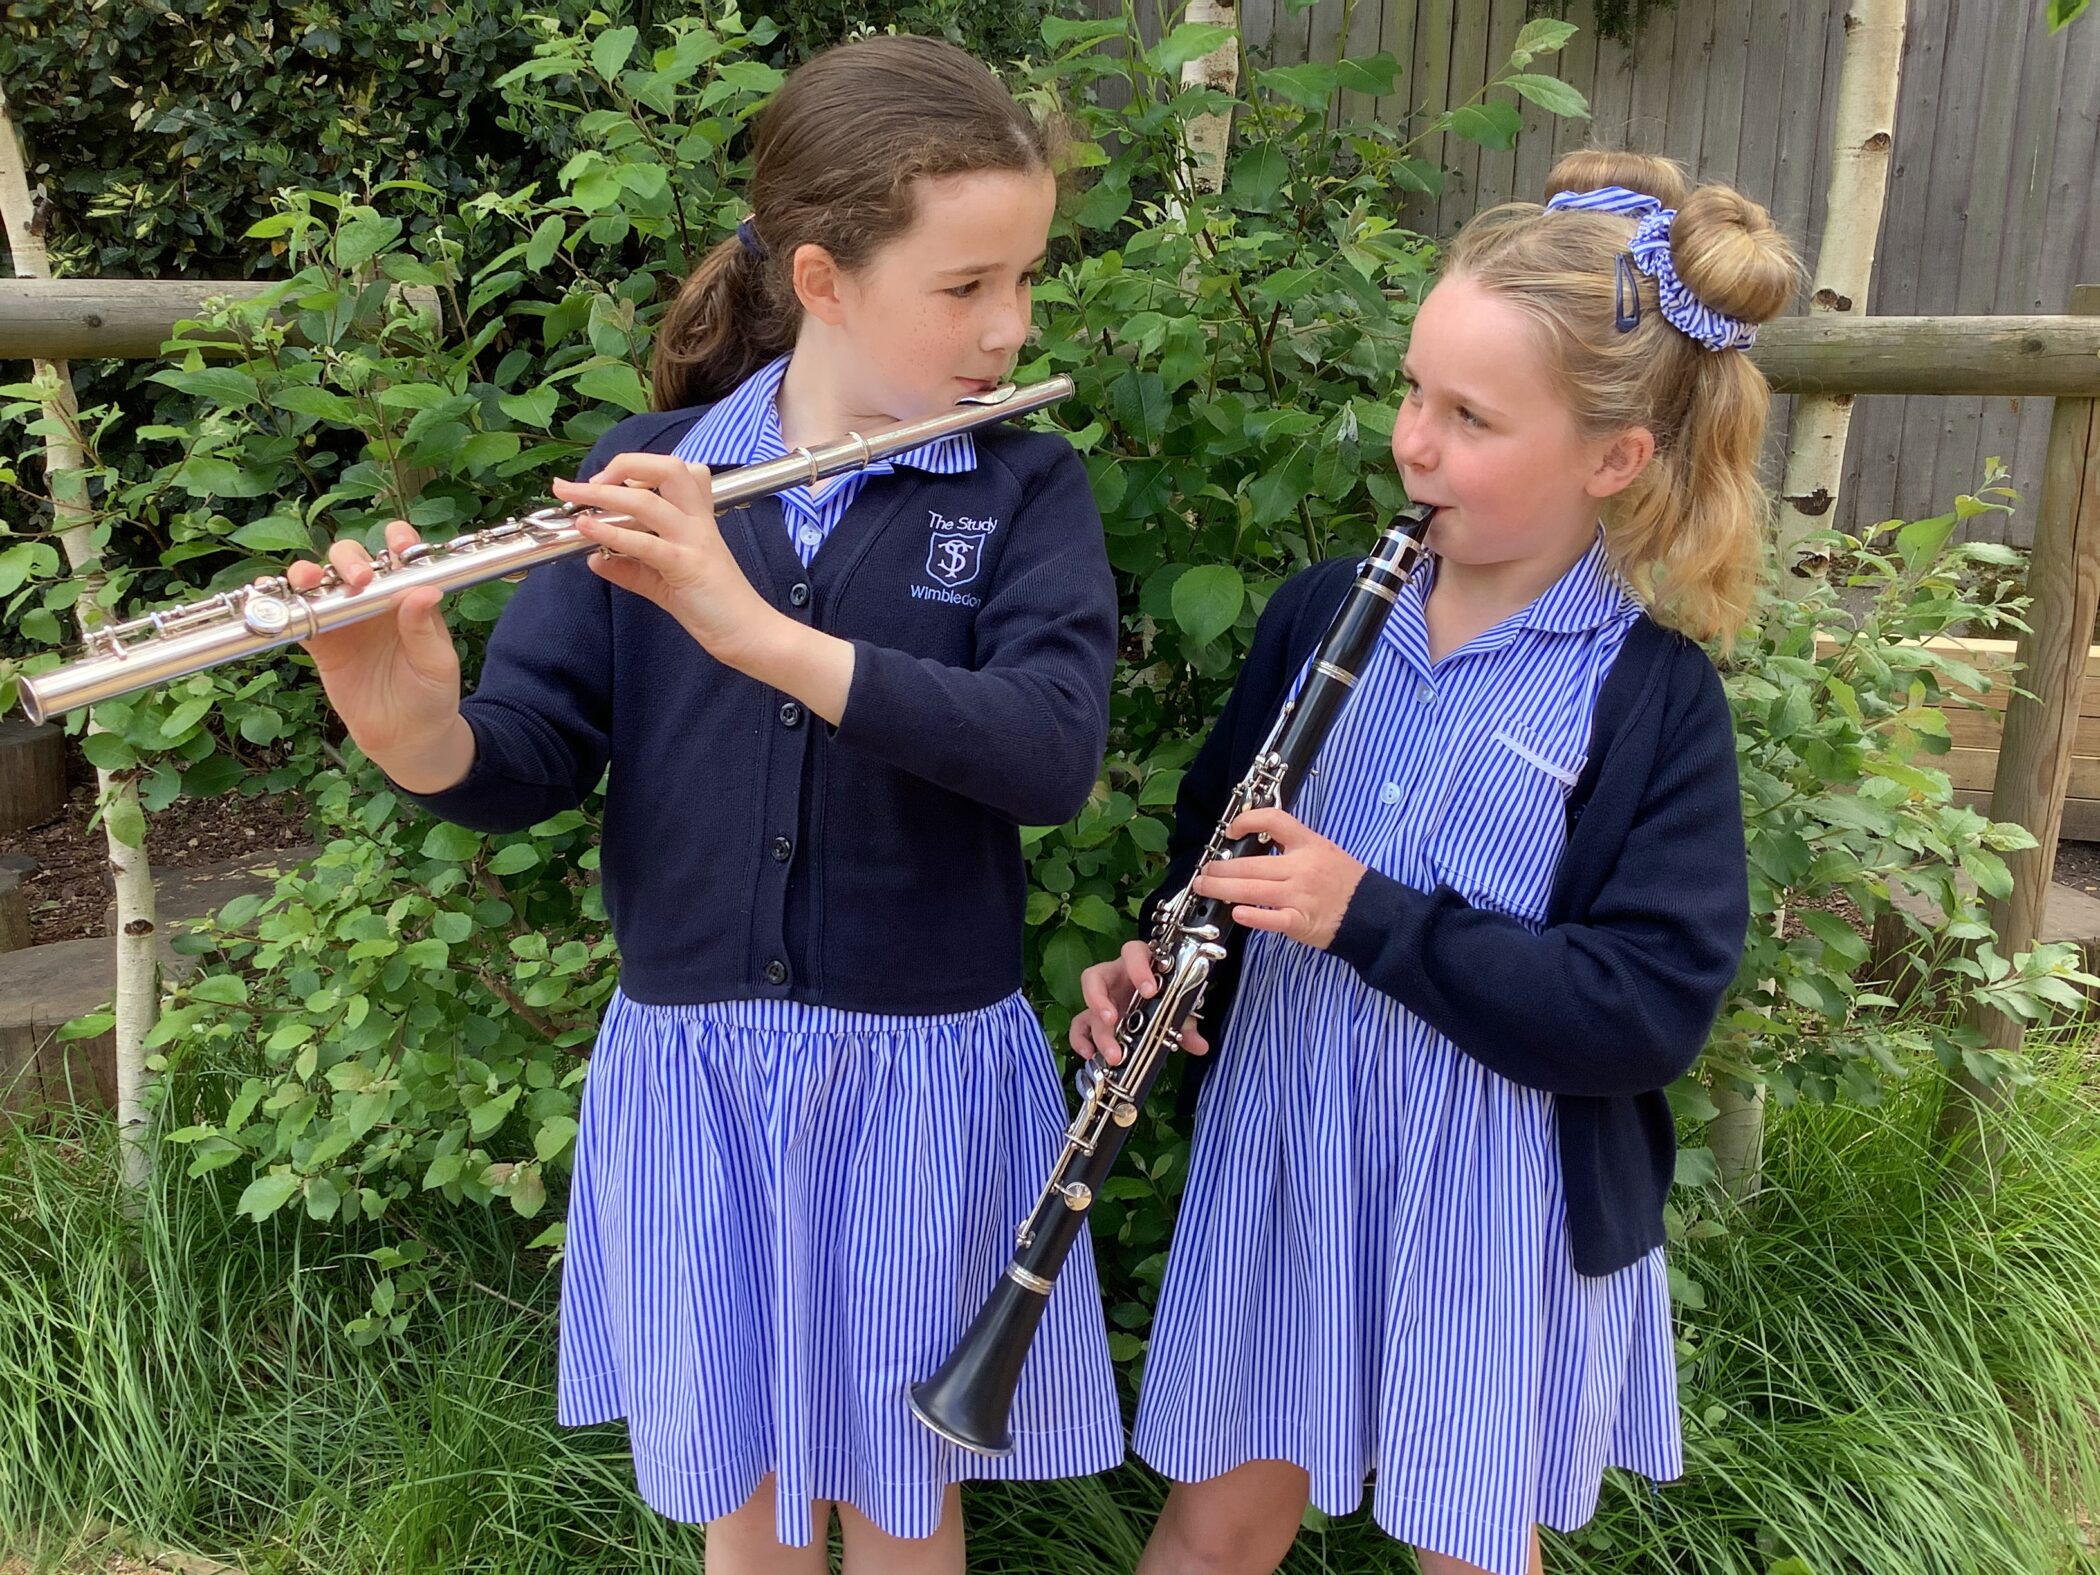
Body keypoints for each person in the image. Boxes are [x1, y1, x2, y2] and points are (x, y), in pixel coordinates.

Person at [285, 36, 1123, 1575]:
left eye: (1025, 280)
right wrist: (411, 727)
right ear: (822, 277)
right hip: (696, 1077)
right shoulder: (647, 472)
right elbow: (530, 750)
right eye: (966, 286)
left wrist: (758, 631)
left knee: (899, 1508)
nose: (1009, 327)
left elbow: (1049, 752)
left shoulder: (1018, 491)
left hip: (917, 1080)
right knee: (742, 1511)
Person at [1069, 150, 1801, 1575]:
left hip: (1492, 1193)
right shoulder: (1316, 618)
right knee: (1216, 1521)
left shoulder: (1647, 699)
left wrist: (1370, 915)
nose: (1414, 440)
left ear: (1614, 459)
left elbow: (1646, 1009)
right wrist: (1161, 955)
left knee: (1465, 1546)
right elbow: (1219, 847)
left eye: (1470, 417)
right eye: (1414, 391)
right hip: (1289, 1141)